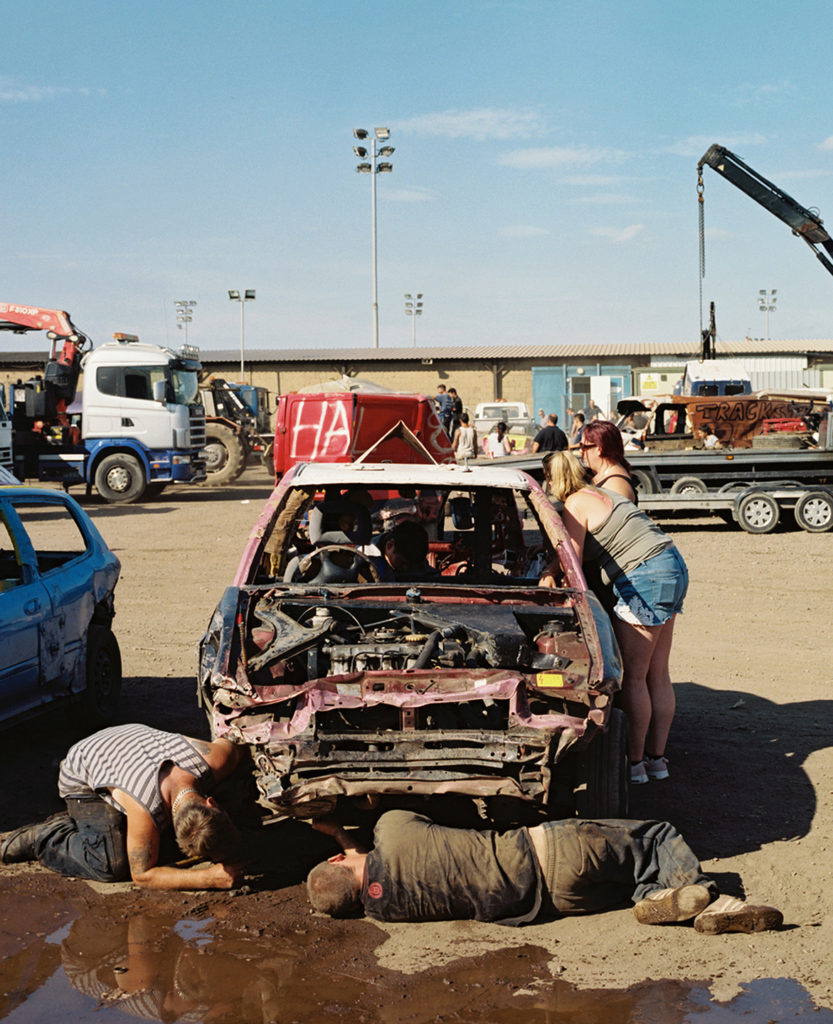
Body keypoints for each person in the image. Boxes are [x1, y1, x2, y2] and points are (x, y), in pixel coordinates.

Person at [307, 809, 782, 934]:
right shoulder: (392, 829)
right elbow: (392, 834)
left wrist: (344, 845)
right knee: (655, 838)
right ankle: (709, 901)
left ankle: (655, 903)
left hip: (556, 904)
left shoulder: (385, 913)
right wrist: (342, 834)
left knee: (635, 878)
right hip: (552, 852)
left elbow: (369, 874)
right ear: (337, 861)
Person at [540, 452, 688, 785]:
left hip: (645, 577)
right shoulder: (603, 491)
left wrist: (550, 581)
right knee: (657, 673)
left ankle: (635, 765)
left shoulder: (575, 505)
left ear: (551, 481)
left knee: (634, 678)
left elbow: (571, 564)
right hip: (671, 564)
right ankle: (657, 761)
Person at [0, 723, 244, 889]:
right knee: (112, 865)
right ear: (210, 801)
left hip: (129, 741)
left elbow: (235, 739)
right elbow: (143, 876)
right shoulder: (145, 809)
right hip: (82, 771)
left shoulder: (216, 759)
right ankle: (46, 836)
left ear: (211, 802)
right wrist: (208, 878)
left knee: (240, 792)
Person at [579, 419, 638, 501]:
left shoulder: (616, 486)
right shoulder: (603, 475)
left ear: (599, 449)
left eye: (584, 446)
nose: (580, 450)